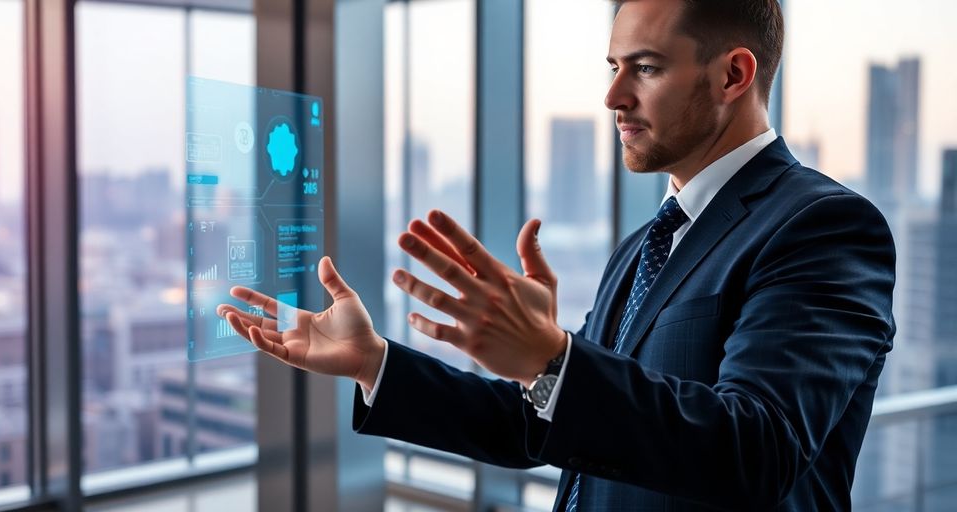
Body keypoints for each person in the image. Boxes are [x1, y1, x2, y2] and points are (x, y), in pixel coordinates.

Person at [217, 0, 896, 509]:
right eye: (613, 68)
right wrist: (377, 364)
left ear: (733, 76)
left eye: (646, 69)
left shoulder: (823, 227)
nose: (612, 97)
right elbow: (538, 422)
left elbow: (757, 450)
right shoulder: (646, 245)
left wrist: (552, 356)